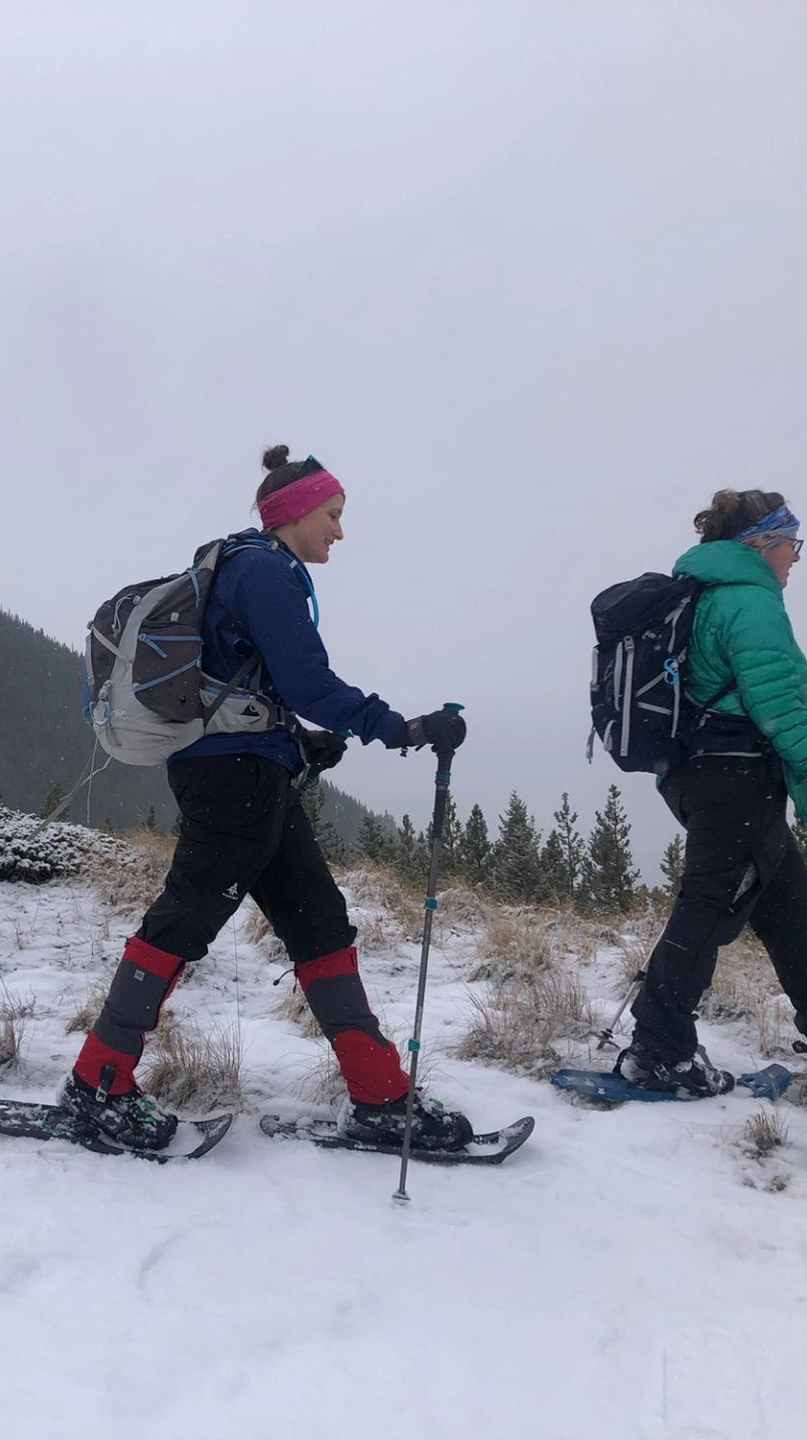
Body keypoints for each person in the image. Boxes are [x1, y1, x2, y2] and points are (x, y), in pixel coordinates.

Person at [59, 445, 472, 1152]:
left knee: (320, 924)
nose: (340, 532)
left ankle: (381, 1097)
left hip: (255, 775)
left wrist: (298, 743)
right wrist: (399, 728)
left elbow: (254, 688)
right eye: (333, 516)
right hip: (233, 784)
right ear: (295, 513)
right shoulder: (264, 571)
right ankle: (97, 1087)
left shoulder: (248, 570)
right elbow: (311, 683)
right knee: (182, 922)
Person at [617, 489, 807, 1096]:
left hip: (701, 772)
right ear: (759, 544)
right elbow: (778, 709)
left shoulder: (701, 592)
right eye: (791, 543)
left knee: (791, 910)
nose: (796, 557)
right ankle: (659, 1048)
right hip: (736, 776)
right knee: (709, 908)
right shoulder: (749, 601)